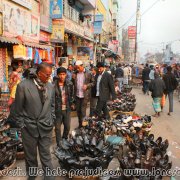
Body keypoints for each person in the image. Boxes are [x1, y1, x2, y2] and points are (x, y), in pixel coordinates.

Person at [9, 62, 55, 179]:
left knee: (46, 155)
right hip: (29, 128)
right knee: (30, 156)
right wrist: (22, 125)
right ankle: (32, 176)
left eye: (50, 75)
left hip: (46, 126)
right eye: (47, 75)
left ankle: (49, 177)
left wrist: (52, 119)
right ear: (39, 73)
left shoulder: (50, 86)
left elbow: (52, 105)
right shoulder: (23, 86)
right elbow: (17, 109)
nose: (49, 77)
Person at [54, 67, 73, 147]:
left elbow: (71, 95)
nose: (62, 76)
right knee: (57, 128)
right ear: (58, 75)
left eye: (63, 74)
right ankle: (59, 144)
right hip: (57, 109)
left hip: (67, 109)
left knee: (67, 127)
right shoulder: (53, 85)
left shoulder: (69, 84)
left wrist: (72, 103)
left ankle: (64, 140)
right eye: (60, 74)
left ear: (66, 75)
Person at [73, 60, 94, 128]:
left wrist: (87, 86)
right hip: (77, 95)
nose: (77, 69)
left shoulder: (89, 73)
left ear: (82, 66)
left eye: (78, 67)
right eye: (76, 68)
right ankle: (80, 125)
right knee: (78, 111)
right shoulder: (75, 73)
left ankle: (84, 126)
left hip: (85, 96)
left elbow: (93, 82)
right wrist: (72, 79)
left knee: (83, 112)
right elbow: (71, 83)